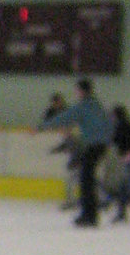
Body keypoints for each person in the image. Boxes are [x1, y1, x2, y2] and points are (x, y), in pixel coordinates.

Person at [36, 78, 112, 227]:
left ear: (82, 91)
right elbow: (107, 123)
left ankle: (89, 216)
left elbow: (64, 118)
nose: (76, 93)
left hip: (93, 145)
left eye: (77, 90)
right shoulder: (97, 105)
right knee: (87, 178)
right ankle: (90, 214)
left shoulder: (84, 106)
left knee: (86, 179)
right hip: (100, 145)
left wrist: (42, 127)